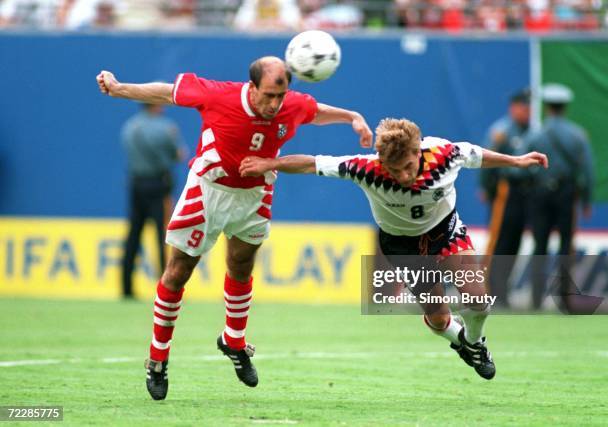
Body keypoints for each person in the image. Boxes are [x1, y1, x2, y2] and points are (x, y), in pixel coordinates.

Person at [96, 56, 372, 400]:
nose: (275, 104)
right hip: (208, 190)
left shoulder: (290, 104)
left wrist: (353, 118)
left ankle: (234, 342)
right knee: (178, 272)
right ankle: (157, 358)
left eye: (280, 96)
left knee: (241, 268)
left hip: (254, 195)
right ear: (252, 86)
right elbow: (168, 92)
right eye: (268, 95)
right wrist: (121, 89)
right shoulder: (219, 96)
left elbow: (314, 111)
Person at [239, 118, 548, 380]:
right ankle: (459, 340)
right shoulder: (367, 169)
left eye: (408, 166)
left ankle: (475, 343)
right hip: (402, 246)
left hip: (446, 231)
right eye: (394, 170)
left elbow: (476, 155)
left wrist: (517, 161)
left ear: (418, 150)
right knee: (439, 320)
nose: (403, 176)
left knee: (479, 299)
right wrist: (271, 163)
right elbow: (312, 163)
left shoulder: (445, 153)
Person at [526, 83, 594, 310]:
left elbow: (523, 163)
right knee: (566, 245)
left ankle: (536, 299)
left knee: (540, 244)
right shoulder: (577, 135)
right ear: (564, 107)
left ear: (547, 107)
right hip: (566, 194)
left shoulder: (535, 134)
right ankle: (565, 299)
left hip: (541, 193)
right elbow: (587, 171)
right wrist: (586, 200)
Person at [121, 103, 185, 299]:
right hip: (159, 185)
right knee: (163, 236)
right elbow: (178, 154)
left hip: (136, 184)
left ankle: (126, 286)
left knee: (134, 234)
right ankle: (166, 286)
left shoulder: (130, 126)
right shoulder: (165, 127)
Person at [480, 88, 531, 307]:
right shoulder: (502, 131)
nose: (527, 111)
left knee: (514, 243)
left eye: (528, 107)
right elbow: (485, 160)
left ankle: (503, 290)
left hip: (524, 193)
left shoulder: (531, 131)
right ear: (514, 107)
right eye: (523, 106)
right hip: (504, 190)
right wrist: (486, 187)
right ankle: (487, 290)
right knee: (499, 242)